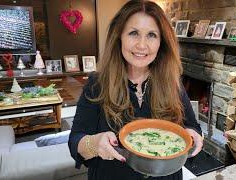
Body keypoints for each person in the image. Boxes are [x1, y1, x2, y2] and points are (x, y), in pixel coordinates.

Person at [68, 1, 203, 179]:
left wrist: (193, 135)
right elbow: (75, 140)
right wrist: (94, 144)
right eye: (133, 33)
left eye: (152, 35)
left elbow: (191, 126)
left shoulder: (172, 83)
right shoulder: (97, 83)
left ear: (161, 42)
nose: (142, 45)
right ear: (119, 36)